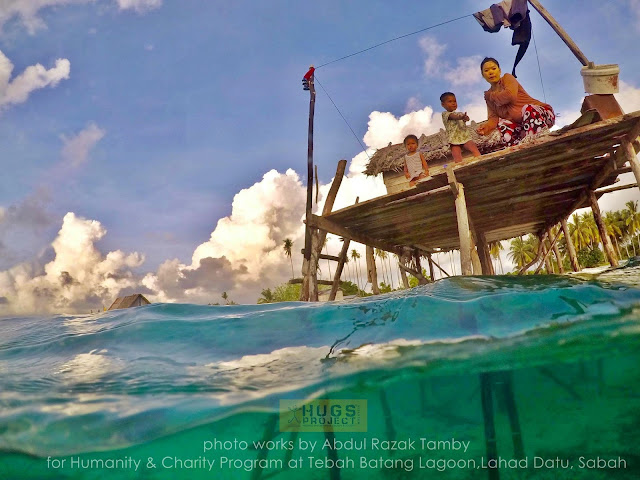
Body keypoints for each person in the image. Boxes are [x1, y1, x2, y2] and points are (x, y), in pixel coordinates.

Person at [476, 57, 554, 147]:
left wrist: (491, 96)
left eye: (494, 68)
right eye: (486, 70)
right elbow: (493, 118)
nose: (491, 72)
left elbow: (510, 95)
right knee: (502, 123)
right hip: (524, 127)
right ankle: (519, 148)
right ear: (483, 75)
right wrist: (486, 128)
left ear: (499, 70)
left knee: (528, 109)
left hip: (542, 116)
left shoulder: (507, 78)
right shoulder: (489, 97)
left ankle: (540, 140)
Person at [440, 92, 482, 163]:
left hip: (465, 137)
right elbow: (453, 117)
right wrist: (461, 117)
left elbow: (467, 119)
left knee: (474, 148)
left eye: (454, 101)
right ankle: (459, 167)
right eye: (450, 101)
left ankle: (480, 160)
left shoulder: (460, 113)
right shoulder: (445, 114)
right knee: (457, 156)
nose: (453, 103)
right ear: (443, 104)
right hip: (454, 139)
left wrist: (465, 118)